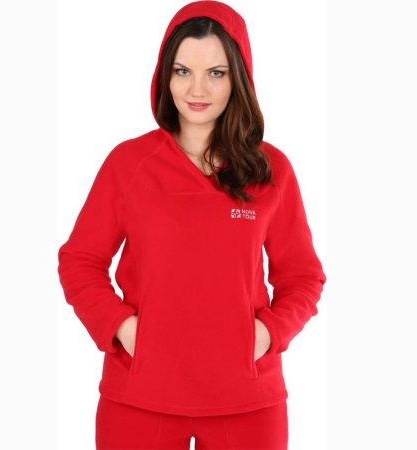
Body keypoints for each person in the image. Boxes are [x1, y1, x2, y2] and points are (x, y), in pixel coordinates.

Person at [57, 1, 327, 449]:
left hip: (247, 400)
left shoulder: (271, 169)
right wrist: (122, 328)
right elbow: (80, 261)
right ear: (165, 75)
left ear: (238, 78)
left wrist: (268, 334)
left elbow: (303, 276)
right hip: (140, 396)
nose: (197, 89)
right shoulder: (128, 164)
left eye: (216, 73)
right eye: (182, 71)